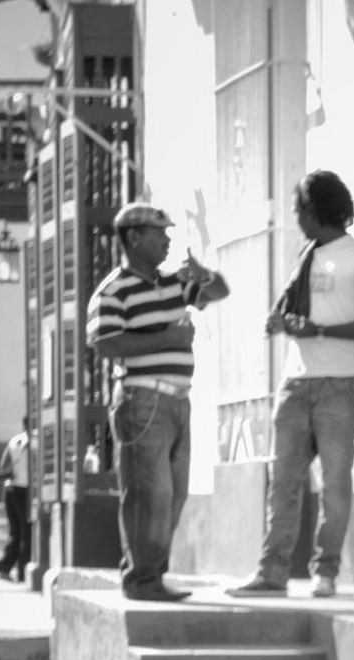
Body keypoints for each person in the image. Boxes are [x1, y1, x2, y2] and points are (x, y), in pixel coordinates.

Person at [229, 170, 354, 600]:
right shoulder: (305, 257)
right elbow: (297, 310)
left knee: (334, 483)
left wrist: (318, 329)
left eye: (300, 208)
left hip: (342, 384)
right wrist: (284, 322)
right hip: (296, 383)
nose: (296, 216)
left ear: (317, 210)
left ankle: (326, 571)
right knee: (282, 481)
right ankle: (272, 571)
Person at [85, 203, 229, 602]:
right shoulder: (112, 291)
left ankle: (151, 573)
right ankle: (142, 579)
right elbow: (105, 343)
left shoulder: (173, 283)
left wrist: (205, 276)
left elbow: (218, 292)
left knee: (174, 493)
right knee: (150, 492)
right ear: (133, 238)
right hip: (141, 399)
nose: (167, 240)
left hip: (178, 402)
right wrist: (167, 340)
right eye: (159, 233)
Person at [0, 414, 30, 583]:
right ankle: (23, 572)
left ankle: (3, 567)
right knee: (26, 533)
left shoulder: (15, 441)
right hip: (26, 490)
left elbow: (3, 467)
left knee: (15, 532)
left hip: (10, 490)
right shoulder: (37, 442)